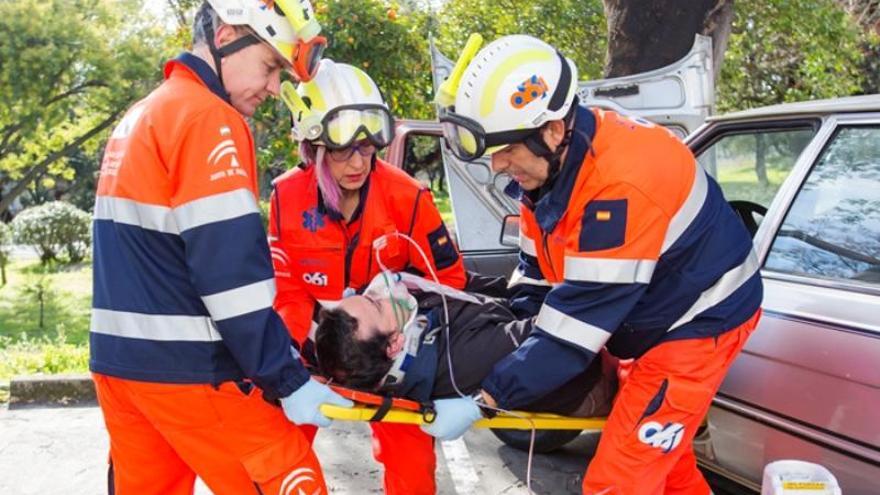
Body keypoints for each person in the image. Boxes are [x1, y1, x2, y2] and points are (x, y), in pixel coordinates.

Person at [425, 34, 764, 495]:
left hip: (697, 324)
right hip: (649, 318)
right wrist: (494, 345)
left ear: (552, 131)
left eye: (506, 149)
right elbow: (535, 283)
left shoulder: (617, 189)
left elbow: (571, 334)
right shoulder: (544, 181)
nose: (499, 164)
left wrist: (485, 400)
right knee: (664, 462)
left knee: (618, 480)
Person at [89, 2, 352, 494]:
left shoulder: (143, 114)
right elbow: (232, 275)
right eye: (272, 66)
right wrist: (286, 378)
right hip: (192, 372)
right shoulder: (210, 118)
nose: (275, 88)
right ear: (227, 33)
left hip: (121, 370)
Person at [269, 59, 467, 495]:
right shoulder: (285, 197)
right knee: (280, 454)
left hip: (390, 358)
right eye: (343, 151)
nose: (358, 163)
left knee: (411, 464)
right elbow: (288, 293)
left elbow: (448, 282)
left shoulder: (407, 197)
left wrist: (416, 352)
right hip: (313, 351)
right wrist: (291, 368)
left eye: (367, 148)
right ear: (312, 148)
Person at [314, 271, 617, 419]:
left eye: (365, 292)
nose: (379, 291)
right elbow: (557, 332)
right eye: (374, 302)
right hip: (590, 377)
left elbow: (475, 290)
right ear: (395, 345)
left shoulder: (414, 331)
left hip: (563, 351)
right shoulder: (460, 362)